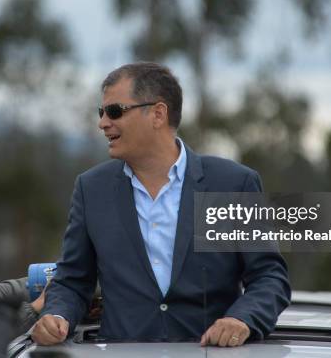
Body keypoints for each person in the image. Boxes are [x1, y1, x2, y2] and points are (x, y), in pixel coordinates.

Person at [33, 62, 291, 348]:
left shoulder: (232, 185)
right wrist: (56, 315)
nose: (103, 122)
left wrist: (242, 319)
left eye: (115, 111)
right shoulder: (91, 189)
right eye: (101, 112)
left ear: (158, 114)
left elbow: (269, 277)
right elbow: (72, 280)